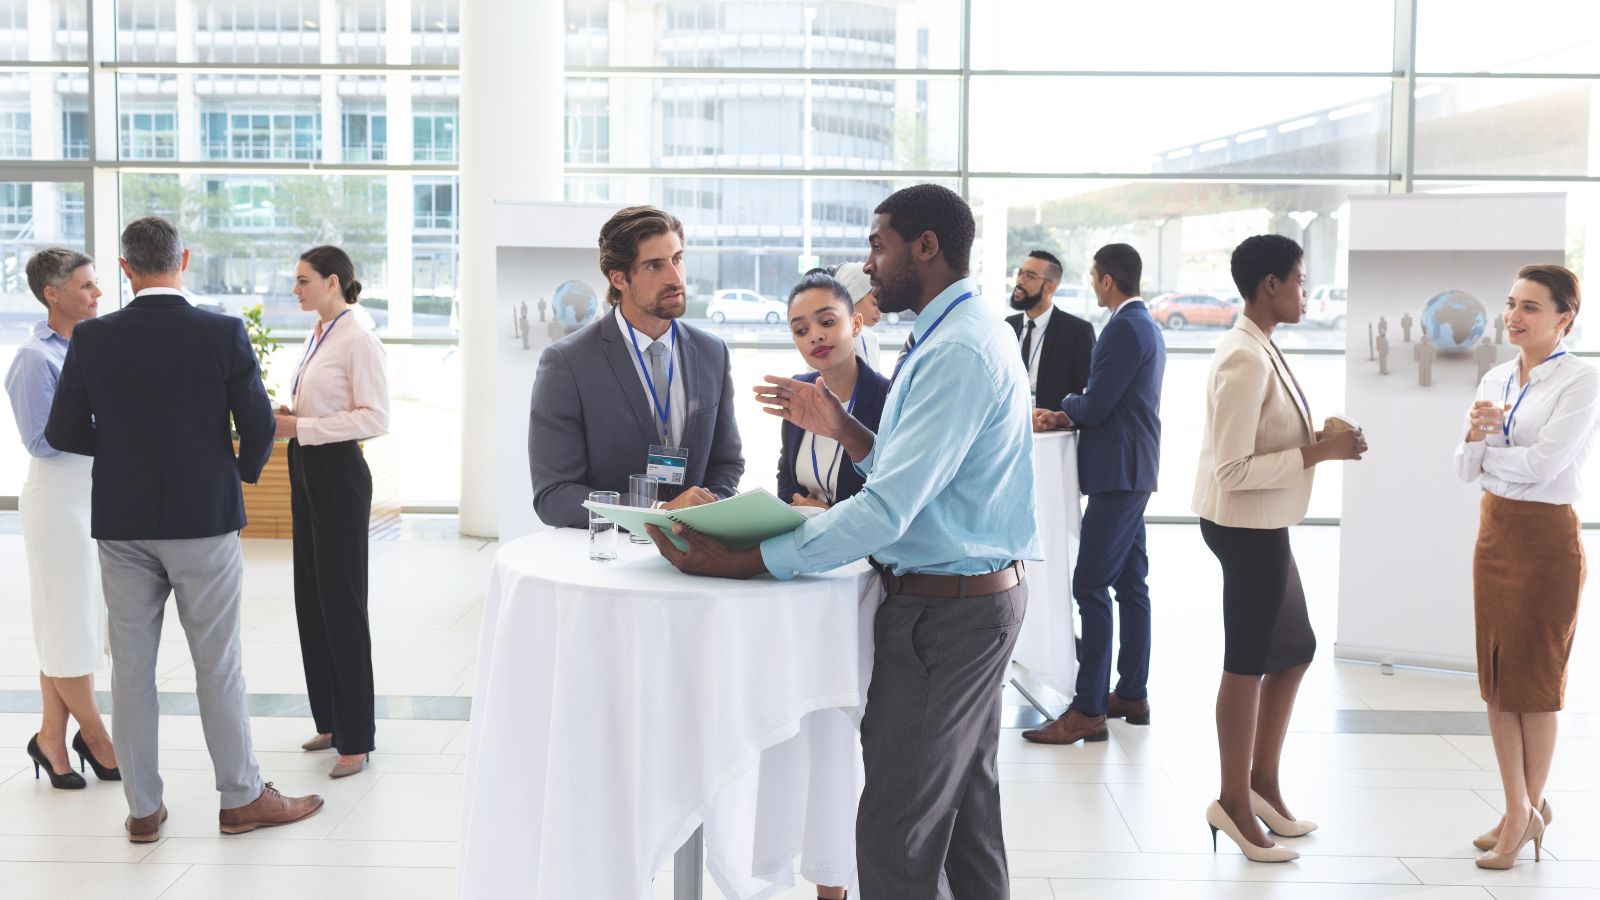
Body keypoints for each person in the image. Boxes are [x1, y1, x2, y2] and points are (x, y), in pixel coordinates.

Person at [645, 184, 1038, 898]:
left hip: (946, 616)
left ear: (926, 246)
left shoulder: (956, 350)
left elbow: (888, 509)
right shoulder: (965, 331)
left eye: (878, 244)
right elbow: (919, 477)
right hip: (974, 601)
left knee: (895, 833)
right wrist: (843, 427)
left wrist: (750, 559)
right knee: (964, 819)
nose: (869, 262)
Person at [44, 216, 323, 842]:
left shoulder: (93, 339)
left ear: (124, 269)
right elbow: (257, 425)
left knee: (132, 671)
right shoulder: (221, 332)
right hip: (205, 519)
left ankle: (143, 809)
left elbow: (62, 431)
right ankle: (241, 798)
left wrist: (119, 455)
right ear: (185, 260)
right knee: (218, 665)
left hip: (122, 520)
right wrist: (234, 472)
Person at [1191, 234, 1367, 863]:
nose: (1303, 291)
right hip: (1244, 527)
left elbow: (1261, 442)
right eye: (1297, 279)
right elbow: (1233, 471)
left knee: (1295, 648)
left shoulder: (1261, 346)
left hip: (1264, 524)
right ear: (1270, 285)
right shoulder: (1244, 356)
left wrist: (1319, 439)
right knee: (1247, 660)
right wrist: (1321, 451)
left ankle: (1261, 784)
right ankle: (1232, 802)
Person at [1456, 263, 1595, 870]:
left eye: (1531, 307)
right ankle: (1520, 806)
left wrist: (1494, 455)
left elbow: (1544, 467)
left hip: (1545, 543)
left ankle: (1522, 811)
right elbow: (1465, 469)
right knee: (1496, 679)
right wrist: (1482, 449)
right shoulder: (1493, 375)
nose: (1514, 316)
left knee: (1534, 687)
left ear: (1565, 317)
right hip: (1494, 535)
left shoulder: (1581, 380)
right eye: (1511, 303)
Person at [1025, 243, 1164, 745]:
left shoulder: (1125, 327)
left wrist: (1062, 404)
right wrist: (1073, 410)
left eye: (1093, 276)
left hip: (1117, 474)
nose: (1092, 283)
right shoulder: (1143, 324)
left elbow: (1098, 404)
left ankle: (1088, 709)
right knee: (1131, 586)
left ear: (1107, 280)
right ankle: (1130, 691)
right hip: (1130, 470)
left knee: (1089, 586)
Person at [529, 205, 743, 527]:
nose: (675, 277)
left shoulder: (712, 352)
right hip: (611, 557)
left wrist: (707, 511)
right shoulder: (568, 363)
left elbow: (726, 463)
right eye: (654, 266)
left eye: (678, 259)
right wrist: (658, 511)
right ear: (618, 278)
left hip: (697, 554)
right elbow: (554, 495)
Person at [273, 245, 391, 779]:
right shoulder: (319, 333)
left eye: (303, 280)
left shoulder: (358, 338)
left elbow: (374, 417)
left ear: (334, 281)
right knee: (310, 595)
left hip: (337, 472)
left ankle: (357, 737)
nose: (296, 289)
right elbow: (321, 405)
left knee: (341, 601)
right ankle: (331, 719)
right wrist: (292, 416)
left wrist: (303, 428)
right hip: (306, 466)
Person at [5, 248, 119, 790]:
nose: (98, 294)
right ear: (53, 294)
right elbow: (40, 440)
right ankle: (97, 738)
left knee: (72, 623)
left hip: (93, 495)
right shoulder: (34, 357)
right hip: (58, 499)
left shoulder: (95, 345)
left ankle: (51, 737)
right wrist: (111, 423)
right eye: (87, 286)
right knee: (67, 621)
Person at [777, 269, 890, 515]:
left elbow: (891, 497)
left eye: (827, 322)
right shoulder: (799, 390)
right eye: (801, 330)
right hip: (802, 545)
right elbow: (786, 475)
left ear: (856, 324)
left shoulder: (888, 398)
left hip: (862, 550)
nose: (815, 336)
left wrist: (826, 515)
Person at [1008, 249, 1095, 413]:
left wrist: (1059, 418)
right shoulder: (1008, 326)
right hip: (1011, 426)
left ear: (1050, 287)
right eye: (1020, 273)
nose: (1020, 280)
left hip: (1054, 432)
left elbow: (1087, 393)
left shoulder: (1077, 332)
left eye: (1030, 276)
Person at [833, 261, 881, 369]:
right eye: (874, 303)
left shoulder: (871, 339)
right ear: (852, 297)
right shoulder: (829, 344)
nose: (880, 310)